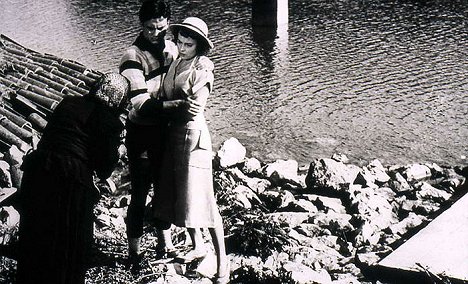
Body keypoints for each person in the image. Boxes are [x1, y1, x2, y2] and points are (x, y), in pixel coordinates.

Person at [119, 0, 212, 265]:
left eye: (160, 28)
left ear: (168, 25)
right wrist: (180, 106)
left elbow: (197, 70)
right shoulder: (132, 56)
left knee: (163, 191)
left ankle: (165, 244)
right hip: (142, 132)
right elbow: (141, 104)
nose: (155, 34)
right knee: (139, 192)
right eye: (149, 28)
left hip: (166, 131)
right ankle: (134, 252)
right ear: (142, 25)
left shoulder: (173, 49)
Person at [16, 73, 129, 284]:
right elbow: (104, 169)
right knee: (67, 242)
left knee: (37, 235)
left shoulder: (69, 102)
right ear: (120, 100)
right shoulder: (110, 121)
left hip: (39, 169)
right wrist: (119, 151)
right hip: (70, 179)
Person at [153, 17, 230, 283]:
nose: (183, 47)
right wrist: (170, 104)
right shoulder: (176, 62)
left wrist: (165, 107)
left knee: (204, 200)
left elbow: (194, 108)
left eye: (189, 44)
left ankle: (223, 265)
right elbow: (168, 98)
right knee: (182, 196)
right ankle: (197, 246)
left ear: (199, 46)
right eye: (181, 42)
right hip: (174, 134)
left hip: (193, 137)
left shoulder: (203, 67)